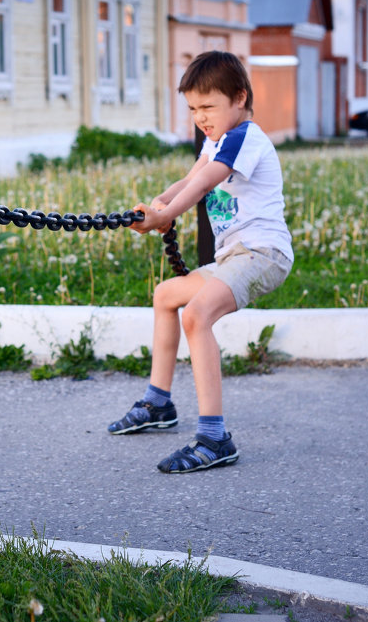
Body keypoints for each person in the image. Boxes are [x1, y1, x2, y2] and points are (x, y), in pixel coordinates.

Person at [114, 50, 292, 473]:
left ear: (240, 98)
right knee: (166, 294)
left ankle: (214, 438)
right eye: (193, 109)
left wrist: (166, 214)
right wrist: (162, 201)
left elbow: (207, 182)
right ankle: (158, 402)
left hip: (262, 254)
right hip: (234, 257)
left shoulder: (245, 137)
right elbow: (194, 177)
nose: (200, 117)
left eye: (208, 107)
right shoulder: (217, 140)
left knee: (196, 315)